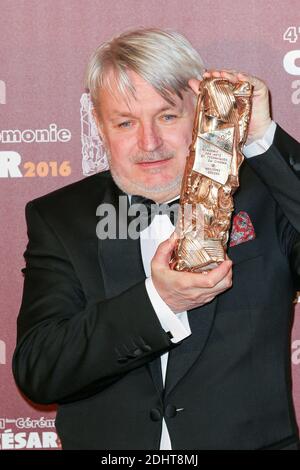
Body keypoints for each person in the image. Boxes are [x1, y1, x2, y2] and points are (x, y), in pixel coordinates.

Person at [13, 28, 300, 450]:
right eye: (125, 122)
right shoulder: (60, 218)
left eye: (167, 116)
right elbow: (41, 370)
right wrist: (159, 304)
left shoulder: (269, 197)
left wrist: (261, 135)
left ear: (200, 112)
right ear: (98, 124)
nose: (149, 143)